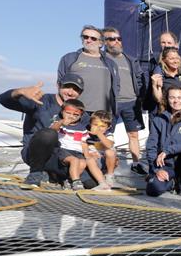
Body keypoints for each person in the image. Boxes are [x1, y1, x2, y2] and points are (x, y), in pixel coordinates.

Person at [0, 74, 88, 187]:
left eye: (76, 90)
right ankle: (35, 174)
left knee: (91, 182)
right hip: (36, 154)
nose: (70, 92)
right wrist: (19, 91)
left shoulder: (81, 113)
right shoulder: (41, 101)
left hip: (64, 158)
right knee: (48, 134)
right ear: (58, 85)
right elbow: (2, 100)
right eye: (67, 87)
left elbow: (91, 137)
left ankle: (56, 177)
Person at [102, 27, 147, 175]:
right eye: (111, 39)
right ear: (104, 42)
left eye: (118, 39)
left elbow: (140, 79)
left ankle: (136, 163)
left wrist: (139, 96)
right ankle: (106, 164)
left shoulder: (130, 59)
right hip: (111, 103)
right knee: (107, 134)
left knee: (134, 134)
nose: (116, 41)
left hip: (131, 103)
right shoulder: (102, 59)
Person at [145, 85, 181, 198]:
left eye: (179, 97)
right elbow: (151, 146)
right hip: (166, 165)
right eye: (172, 98)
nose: (176, 101)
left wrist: (167, 151)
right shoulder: (158, 119)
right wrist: (157, 170)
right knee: (153, 189)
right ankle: (171, 182)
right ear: (166, 99)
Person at [57, 25, 119, 116]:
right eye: (85, 37)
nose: (88, 40)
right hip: (76, 110)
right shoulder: (69, 58)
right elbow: (60, 83)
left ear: (101, 43)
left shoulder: (111, 63)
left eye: (93, 38)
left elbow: (116, 86)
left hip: (102, 113)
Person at [53, 99, 111, 191]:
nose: (71, 116)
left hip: (78, 151)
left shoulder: (82, 128)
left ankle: (69, 181)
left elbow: (83, 142)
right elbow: (52, 129)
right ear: (62, 112)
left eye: (76, 114)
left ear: (81, 115)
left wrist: (87, 154)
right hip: (64, 150)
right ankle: (76, 181)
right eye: (68, 113)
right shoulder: (60, 124)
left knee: (83, 162)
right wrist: (61, 122)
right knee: (75, 160)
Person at [85, 110, 119, 188]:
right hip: (92, 160)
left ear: (108, 127)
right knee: (90, 159)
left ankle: (109, 176)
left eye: (102, 126)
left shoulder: (108, 134)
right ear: (90, 124)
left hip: (105, 161)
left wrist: (99, 134)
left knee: (110, 152)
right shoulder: (85, 133)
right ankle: (101, 182)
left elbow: (109, 145)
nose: (98, 128)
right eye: (95, 125)